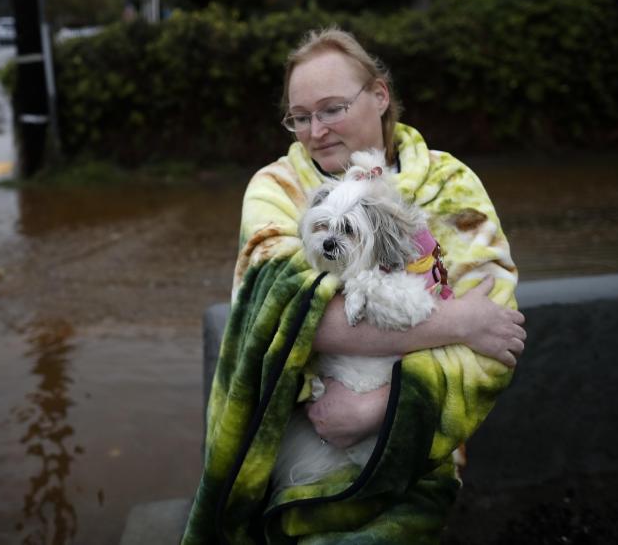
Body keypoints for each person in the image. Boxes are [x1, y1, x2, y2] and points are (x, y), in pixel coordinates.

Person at [182, 28, 526, 544]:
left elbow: (498, 341)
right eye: (300, 116)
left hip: (423, 449)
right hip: (292, 445)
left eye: (332, 108)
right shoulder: (276, 189)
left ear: (380, 95)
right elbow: (285, 315)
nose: (315, 130)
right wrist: (459, 321)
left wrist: (380, 410)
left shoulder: (451, 184)